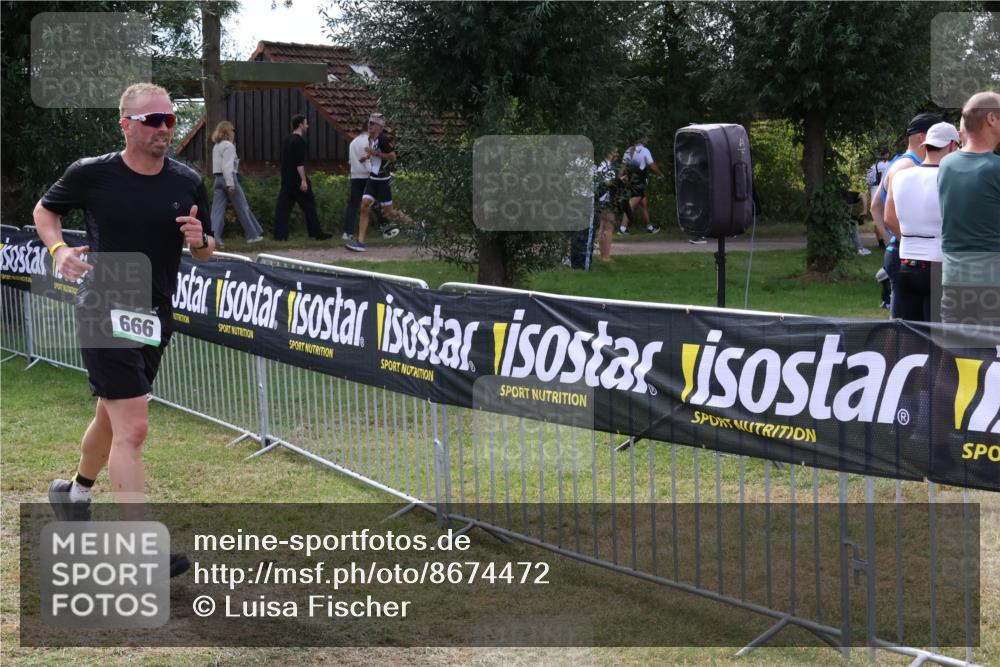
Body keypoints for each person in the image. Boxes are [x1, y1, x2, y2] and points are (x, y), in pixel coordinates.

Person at [34, 82, 215, 576]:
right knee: (133, 427)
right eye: (152, 120)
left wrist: (201, 243)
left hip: (155, 312)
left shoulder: (186, 181)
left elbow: (205, 249)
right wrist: (59, 251)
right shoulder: (93, 174)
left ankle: (73, 492)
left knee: (113, 417)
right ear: (126, 125)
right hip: (103, 306)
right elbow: (45, 211)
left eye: (170, 120)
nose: (163, 129)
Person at [884, 121, 960, 321]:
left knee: (907, 337)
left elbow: (888, 217)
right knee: (939, 340)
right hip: (940, 267)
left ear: (925, 146)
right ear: (952, 145)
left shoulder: (900, 176)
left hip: (907, 265)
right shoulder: (953, 179)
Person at [869, 112, 943, 317]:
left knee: (908, 325)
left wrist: (890, 241)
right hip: (909, 256)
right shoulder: (910, 167)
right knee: (912, 329)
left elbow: (875, 207)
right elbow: (889, 216)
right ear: (923, 138)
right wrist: (906, 242)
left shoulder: (896, 162)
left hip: (900, 252)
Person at [937, 91, 1000, 327]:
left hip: (953, 281)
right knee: (990, 362)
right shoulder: (995, 169)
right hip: (993, 284)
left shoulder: (946, 164)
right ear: (992, 119)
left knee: (956, 356)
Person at [347, 113, 414, 252]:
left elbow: (392, 157)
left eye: (372, 124)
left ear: (379, 126)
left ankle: (416, 228)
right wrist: (367, 156)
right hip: (373, 178)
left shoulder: (383, 139)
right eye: (369, 123)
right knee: (364, 205)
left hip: (383, 181)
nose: (369, 126)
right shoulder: (371, 138)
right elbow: (374, 153)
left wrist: (374, 153)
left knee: (390, 212)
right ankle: (360, 242)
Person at [273, 114, 332, 241]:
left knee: (283, 208)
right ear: (300, 125)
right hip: (297, 180)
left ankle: (279, 235)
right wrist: (303, 180)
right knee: (309, 205)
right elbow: (299, 164)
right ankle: (316, 233)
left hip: (286, 179)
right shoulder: (300, 141)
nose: (307, 125)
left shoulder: (287, 139)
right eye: (306, 123)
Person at [210, 120, 263, 246]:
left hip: (217, 180)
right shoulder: (229, 146)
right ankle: (252, 235)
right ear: (228, 131)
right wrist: (230, 183)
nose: (234, 132)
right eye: (233, 129)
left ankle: (213, 237)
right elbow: (227, 166)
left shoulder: (216, 146)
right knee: (242, 207)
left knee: (216, 211)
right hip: (229, 178)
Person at [342, 121, 395, 241]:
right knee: (376, 204)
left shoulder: (353, 142)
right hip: (368, 176)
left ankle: (347, 232)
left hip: (355, 176)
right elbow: (372, 159)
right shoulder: (369, 141)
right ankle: (386, 228)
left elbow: (351, 161)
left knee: (354, 204)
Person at [618, 133, 665, 236]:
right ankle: (622, 228)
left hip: (630, 181)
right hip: (639, 182)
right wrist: (660, 174)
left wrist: (619, 179)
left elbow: (623, 167)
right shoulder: (644, 151)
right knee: (631, 204)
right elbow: (652, 166)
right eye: (646, 137)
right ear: (642, 139)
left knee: (643, 204)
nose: (647, 139)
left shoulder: (628, 150)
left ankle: (649, 227)